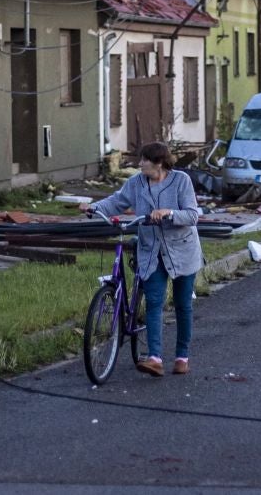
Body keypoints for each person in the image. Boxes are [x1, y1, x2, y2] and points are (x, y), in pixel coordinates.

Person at [87, 141, 203, 377]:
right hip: (151, 251)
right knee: (153, 302)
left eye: (144, 161)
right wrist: (92, 207)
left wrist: (168, 212)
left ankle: (182, 357)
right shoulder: (136, 183)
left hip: (182, 251)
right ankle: (155, 358)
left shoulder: (181, 181)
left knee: (183, 304)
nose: (139, 164)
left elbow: (192, 215)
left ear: (158, 163)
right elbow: (117, 201)